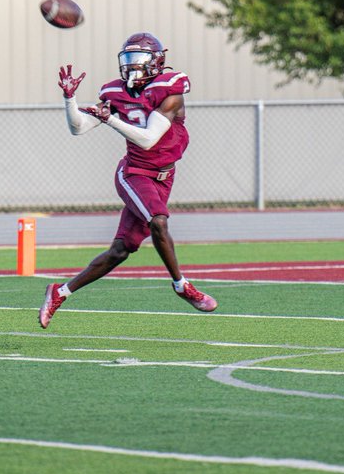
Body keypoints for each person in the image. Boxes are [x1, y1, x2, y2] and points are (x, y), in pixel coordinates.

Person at [39, 32, 217, 329]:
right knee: (158, 221)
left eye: (139, 60)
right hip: (134, 174)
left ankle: (59, 292)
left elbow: (148, 139)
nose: (132, 67)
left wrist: (111, 120)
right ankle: (181, 285)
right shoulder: (115, 93)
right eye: (128, 60)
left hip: (163, 177)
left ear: (157, 63)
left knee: (120, 250)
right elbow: (79, 128)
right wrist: (70, 100)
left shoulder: (170, 91)